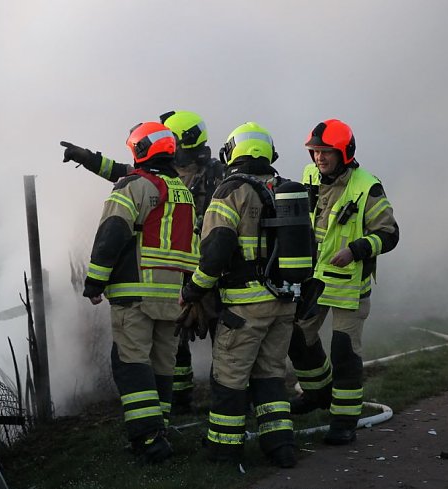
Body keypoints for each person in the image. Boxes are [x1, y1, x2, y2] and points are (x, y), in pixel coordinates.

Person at [63, 110, 224, 411]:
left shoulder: (215, 175)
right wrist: (88, 158)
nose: (169, 145)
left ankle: (224, 400)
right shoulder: (168, 174)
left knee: (219, 335)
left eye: (173, 139)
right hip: (181, 269)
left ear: (185, 141)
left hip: (208, 266)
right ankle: (177, 402)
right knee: (175, 344)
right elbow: (128, 171)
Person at [179, 122, 302, 468]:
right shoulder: (282, 188)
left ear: (232, 151)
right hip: (284, 303)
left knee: (229, 380)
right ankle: (281, 448)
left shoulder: (229, 191)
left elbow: (216, 250)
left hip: (245, 307)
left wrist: (194, 289)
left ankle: (224, 451)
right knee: (270, 378)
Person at [82, 121, 199, 463]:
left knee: (131, 363)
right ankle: (158, 429)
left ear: (139, 150)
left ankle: (148, 440)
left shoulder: (134, 186)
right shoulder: (182, 191)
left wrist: (94, 282)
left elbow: (112, 233)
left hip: (135, 293)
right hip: (173, 295)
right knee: (161, 365)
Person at [287, 119, 399, 445]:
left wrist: (356, 249)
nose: (319, 158)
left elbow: (389, 234)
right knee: (298, 338)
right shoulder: (308, 177)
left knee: (344, 353)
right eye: (315, 152)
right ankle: (318, 393)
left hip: (349, 285)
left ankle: (344, 422)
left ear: (344, 153)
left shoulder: (367, 187)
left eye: (326, 152)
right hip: (314, 280)